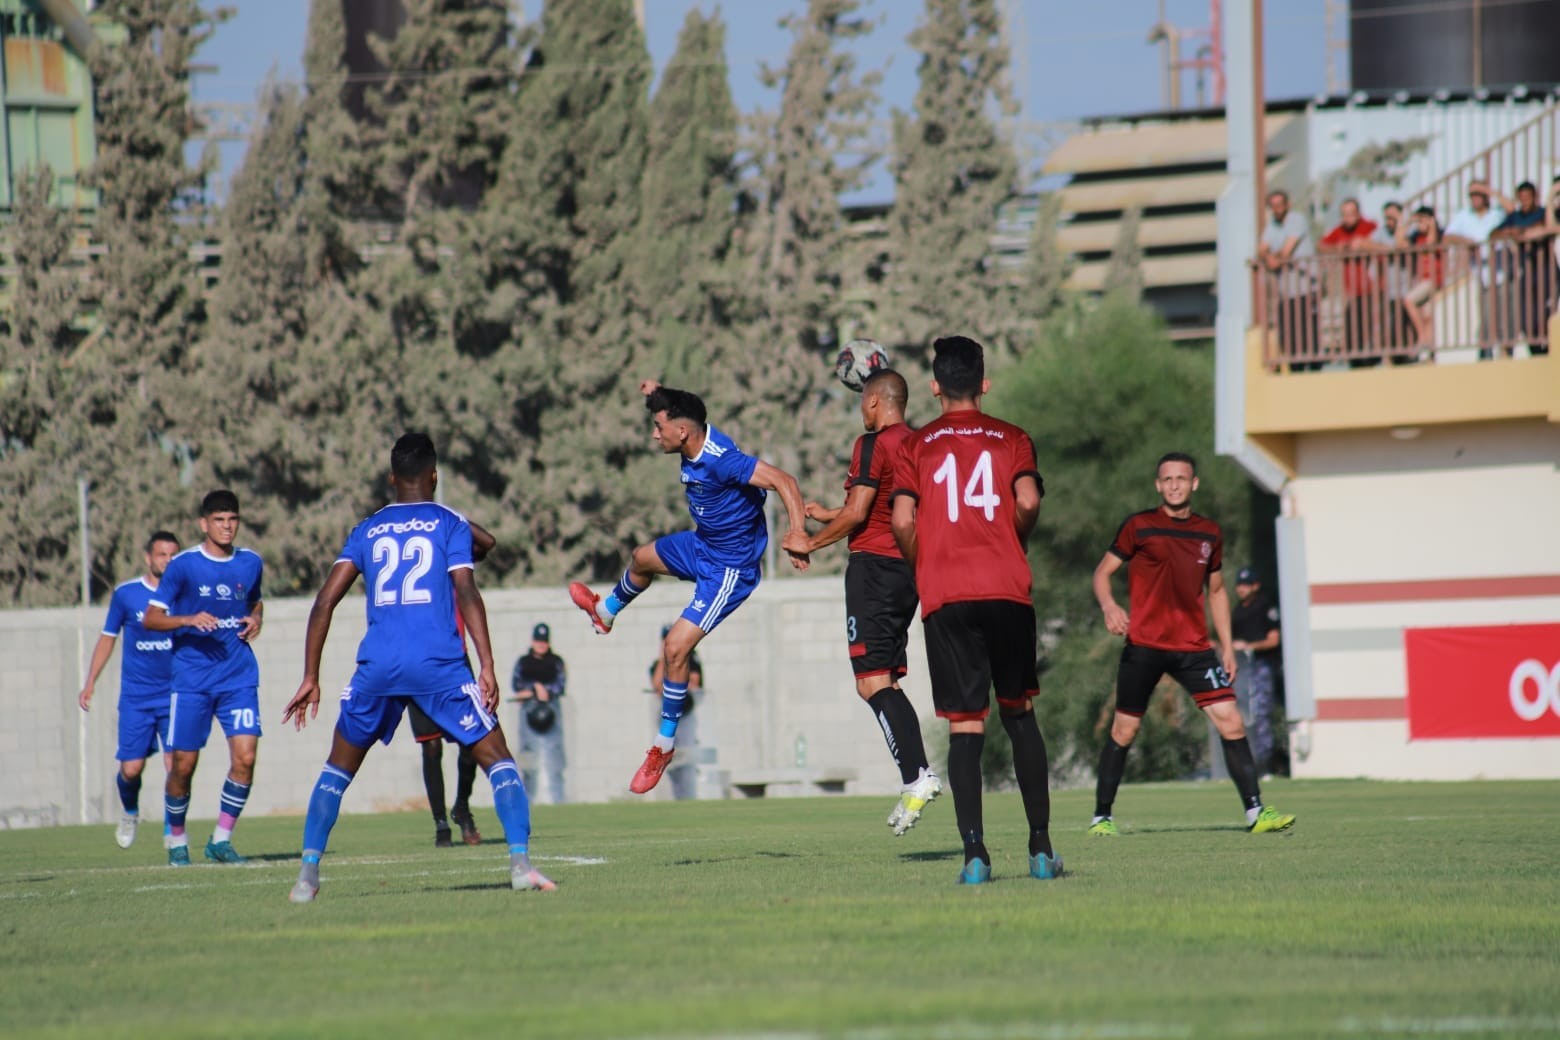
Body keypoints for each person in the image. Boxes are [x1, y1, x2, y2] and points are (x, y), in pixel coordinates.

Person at [282, 433, 554, 902]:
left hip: (378, 667)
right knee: (497, 758)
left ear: (392, 477)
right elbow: (466, 590)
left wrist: (311, 675)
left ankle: (307, 876)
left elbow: (324, 601)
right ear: (434, 475)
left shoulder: (367, 529)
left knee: (337, 769)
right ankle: (520, 864)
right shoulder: (449, 522)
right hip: (438, 665)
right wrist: (487, 664)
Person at [568, 380, 811, 795]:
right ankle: (605, 612)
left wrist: (798, 533)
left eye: (658, 426)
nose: (654, 434)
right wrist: (656, 392)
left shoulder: (722, 461)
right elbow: (683, 406)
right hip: (702, 545)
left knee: (675, 648)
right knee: (641, 558)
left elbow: (785, 481)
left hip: (729, 569)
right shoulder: (691, 433)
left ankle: (663, 746)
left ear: (682, 431)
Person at [889, 335, 1060, 885]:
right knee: (1019, 713)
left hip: (947, 594)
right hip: (1006, 587)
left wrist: (925, 562)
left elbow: (901, 520)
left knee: (966, 725)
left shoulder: (917, 445)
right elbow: (1028, 499)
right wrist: (1014, 540)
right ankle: (1040, 850)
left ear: (934, 387)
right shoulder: (1013, 437)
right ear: (984, 384)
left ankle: (975, 856)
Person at [1088, 454, 1295, 837]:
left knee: (1231, 721)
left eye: (1181, 478)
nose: (1174, 485)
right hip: (1144, 645)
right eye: (1167, 479)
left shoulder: (1209, 533)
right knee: (1124, 731)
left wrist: (1227, 647)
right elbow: (1102, 572)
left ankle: (1256, 813)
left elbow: (1216, 591)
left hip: (1194, 649)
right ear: (1158, 485)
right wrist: (1109, 605)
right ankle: (1101, 818)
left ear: (1194, 483)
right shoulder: (1139, 526)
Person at [802, 368, 940, 835]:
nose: (861, 408)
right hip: (909, 572)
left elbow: (860, 512)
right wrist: (829, 514)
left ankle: (918, 777)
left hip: (873, 571)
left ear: (877, 401)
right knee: (887, 681)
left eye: (863, 400)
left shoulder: (871, 443)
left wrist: (810, 542)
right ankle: (916, 776)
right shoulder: (920, 443)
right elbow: (881, 508)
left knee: (870, 682)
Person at [143, 491, 265, 867]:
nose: (227, 526)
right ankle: (177, 840)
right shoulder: (183, 566)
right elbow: (151, 618)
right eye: (219, 520)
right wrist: (188, 619)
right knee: (183, 765)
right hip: (192, 681)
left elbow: (255, 600)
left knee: (245, 758)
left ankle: (221, 840)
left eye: (232, 519)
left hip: (239, 678)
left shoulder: (250, 562)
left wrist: (256, 618)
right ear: (203, 524)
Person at [77, 531, 180, 849]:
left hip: (175, 694)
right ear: (148, 558)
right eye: (162, 554)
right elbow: (108, 637)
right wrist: (90, 681)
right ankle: (130, 811)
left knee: (176, 764)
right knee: (131, 768)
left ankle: (173, 829)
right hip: (137, 697)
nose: (168, 561)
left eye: (173, 555)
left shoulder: (185, 593)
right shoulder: (126, 594)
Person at [408, 519, 497, 847]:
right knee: (431, 747)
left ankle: (462, 806)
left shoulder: (452, 556)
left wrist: (447, 513)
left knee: (471, 740)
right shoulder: (406, 557)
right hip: (414, 662)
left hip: (454, 660)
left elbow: (487, 542)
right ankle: (440, 823)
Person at [1230, 567, 1282, 776]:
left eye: (1246, 584)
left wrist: (1249, 647)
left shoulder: (1265, 606)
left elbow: (1273, 640)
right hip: (1243, 670)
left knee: (1261, 715)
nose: (1241, 589)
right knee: (1241, 715)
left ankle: (1265, 764)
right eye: (1239, 585)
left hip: (1262, 667)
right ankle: (1245, 763)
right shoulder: (1237, 611)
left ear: (1255, 586)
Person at [1258, 189, 1317, 368]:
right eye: (1273, 206)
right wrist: (1269, 258)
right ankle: (1295, 365)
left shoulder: (1297, 220)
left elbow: (1286, 251)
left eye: (1280, 205)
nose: (1277, 209)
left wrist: (1273, 258)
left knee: (1307, 329)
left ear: (1287, 205)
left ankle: (1313, 364)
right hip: (1286, 290)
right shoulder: (1272, 224)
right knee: (1288, 331)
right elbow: (1261, 250)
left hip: (1305, 286)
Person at [1318, 198, 1381, 364]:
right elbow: (1321, 245)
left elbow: (1382, 244)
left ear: (1358, 213)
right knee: (1352, 326)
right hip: (1352, 290)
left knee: (1371, 325)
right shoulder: (1340, 230)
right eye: (1344, 214)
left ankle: (1371, 358)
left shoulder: (1370, 226)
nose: (1347, 218)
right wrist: (1338, 248)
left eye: (1351, 213)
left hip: (1372, 287)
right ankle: (1356, 360)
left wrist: (1364, 245)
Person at [1492, 180, 1552, 352]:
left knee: (1545, 314)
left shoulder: (1542, 213)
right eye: (1521, 198)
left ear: (1535, 197)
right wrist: (1509, 232)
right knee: (1526, 318)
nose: (1524, 201)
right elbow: (1493, 234)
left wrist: (1521, 232)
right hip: (1525, 271)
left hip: (1545, 270)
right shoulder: (1515, 217)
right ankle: (1536, 351)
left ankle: (1548, 348)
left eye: (1528, 197)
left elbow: (1544, 227)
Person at [512, 622, 567, 805]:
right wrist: (536, 689)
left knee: (555, 758)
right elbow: (517, 685)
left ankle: (558, 800)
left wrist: (543, 691)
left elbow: (559, 686)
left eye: (544, 641)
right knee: (528, 758)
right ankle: (529, 800)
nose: (541, 644)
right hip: (528, 714)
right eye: (538, 641)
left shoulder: (556, 662)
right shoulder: (523, 662)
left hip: (551, 712)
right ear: (532, 641)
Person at [649, 624, 705, 800]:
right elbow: (658, 686)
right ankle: (674, 796)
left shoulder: (691, 659)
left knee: (687, 760)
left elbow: (694, 683)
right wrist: (663, 656)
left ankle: (689, 796)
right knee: (670, 763)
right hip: (667, 717)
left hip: (687, 716)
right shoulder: (658, 664)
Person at [1401, 206, 1444, 350]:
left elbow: (1431, 245)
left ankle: (1422, 338)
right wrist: (1408, 222)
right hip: (1421, 280)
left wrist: (1431, 225)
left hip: (1433, 280)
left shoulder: (1438, 235)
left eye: (1422, 220)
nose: (1420, 224)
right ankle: (1429, 347)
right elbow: (1399, 243)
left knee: (1409, 300)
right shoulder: (1416, 237)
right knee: (1426, 316)